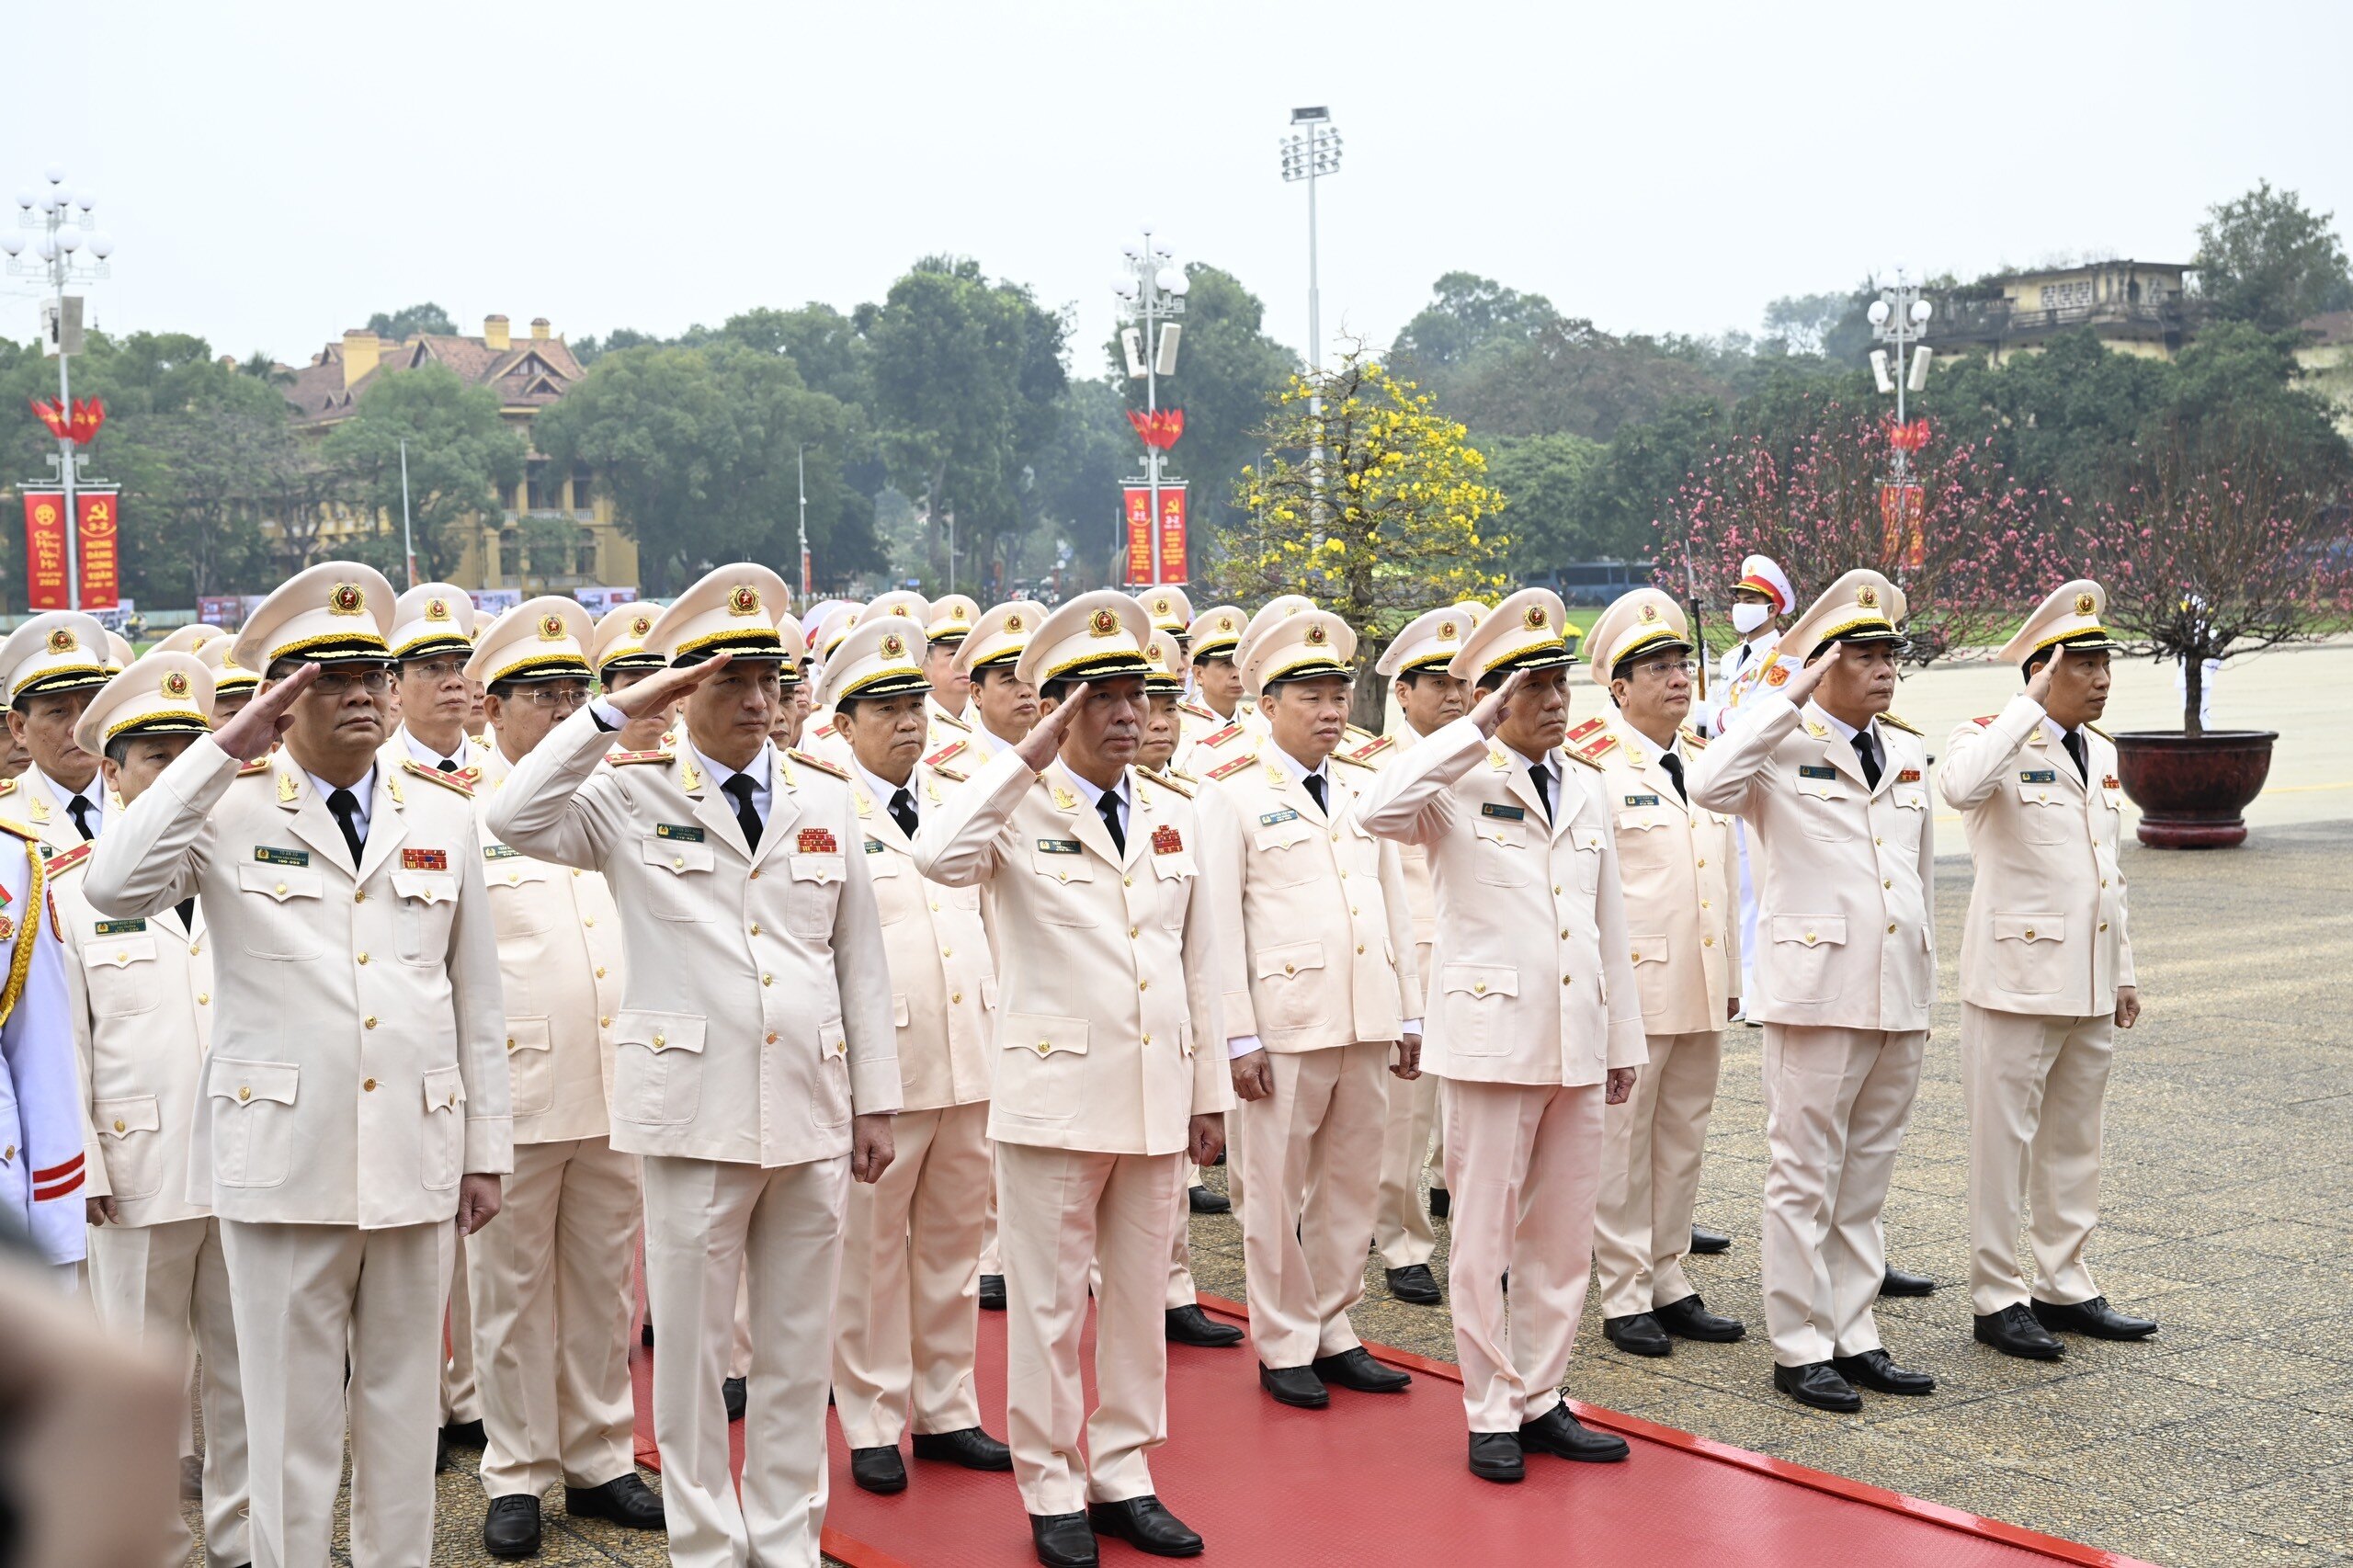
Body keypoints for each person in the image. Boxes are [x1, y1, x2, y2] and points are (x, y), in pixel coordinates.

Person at [84, 560, 511, 1567]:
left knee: (405, 1425)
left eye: (374, 673)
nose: (361, 693)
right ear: (283, 695)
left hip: (415, 1154)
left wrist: (485, 1146)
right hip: (282, 1166)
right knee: (289, 1433)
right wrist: (218, 748)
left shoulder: (442, 816)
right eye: (330, 676)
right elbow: (111, 883)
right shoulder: (226, 807)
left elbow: (475, 999)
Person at [486, 562, 898, 1568]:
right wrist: (617, 709)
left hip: (808, 1101)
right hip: (691, 1114)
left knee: (798, 1354)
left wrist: (876, 1099)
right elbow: (511, 817)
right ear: (683, 691)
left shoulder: (824, 798)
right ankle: (708, 1546)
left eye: (769, 681)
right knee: (694, 1361)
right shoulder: (626, 796)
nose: (758, 702)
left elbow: (860, 960)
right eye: (729, 681)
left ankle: (789, 1540)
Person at [913, 589, 1233, 1568]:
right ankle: (1050, 1480)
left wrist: (1207, 1089)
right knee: (1049, 1308)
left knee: (1138, 1300)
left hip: (1151, 1091)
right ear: (1059, 706)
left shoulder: (1175, 812)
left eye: (1137, 692)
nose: (1129, 712)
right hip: (1055, 1097)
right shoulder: (1008, 804)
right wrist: (1024, 756)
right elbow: (936, 854)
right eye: (1101, 695)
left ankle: (1124, 1471)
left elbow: (1200, 962)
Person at [1358, 587, 1641, 1484]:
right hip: (1488, 1037)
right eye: (1533, 686)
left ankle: (1543, 1393)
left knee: (1560, 1232)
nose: (1556, 701)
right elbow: (1377, 807)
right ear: (1490, 696)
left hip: (1576, 1036)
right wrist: (1469, 723)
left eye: (1561, 683)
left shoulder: (1588, 786)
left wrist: (1622, 1037)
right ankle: (1488, 1404)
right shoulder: (1452, 783)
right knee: (1481, 1231)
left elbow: (1607, 925)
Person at [1687, 569, 1937, 1414]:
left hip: (1893, 989)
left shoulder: (1904, 750)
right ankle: (1799, 1345)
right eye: (1861, 655)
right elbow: (1707, 784)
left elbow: (1918, 880)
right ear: (1822, 664)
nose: (1882, 670)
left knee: (1865, 1177)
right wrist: (1784, 693)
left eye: (1888, 655)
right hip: (1814, 990)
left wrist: (1923, 983)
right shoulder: (1775, 746)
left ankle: (1854, 1331)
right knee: (1803, 1175)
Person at [460, 601, 663, 1556]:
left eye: (572, 694)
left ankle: (600, 1454)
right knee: (507, 1296)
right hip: (517, 1090)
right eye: (539, 697)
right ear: (491, 710)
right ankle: (516, 1470)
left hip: (616, 1081)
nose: (557, 711)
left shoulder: (622, 792)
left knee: (603, 1287)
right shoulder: (461, 808)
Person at [55, 650, 251, 1568]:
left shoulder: (254, 868)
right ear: (113, 771)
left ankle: (245, 1538)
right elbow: (67, 1046)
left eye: (190, 748)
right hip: (133, 1171)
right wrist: (85, 1162)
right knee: (140, 1381)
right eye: (152, 755)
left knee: (252, 1371)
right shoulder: (72, 892)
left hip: (251, 1162)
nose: (175, 770)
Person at [1198, 609, 1422, 1411]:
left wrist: (1410, 1013)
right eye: (1313, 695)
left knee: (1353, 1184)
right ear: (1268, 703)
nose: (1332, 709)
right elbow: (1218, 926)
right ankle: (1284, 1340)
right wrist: (1237, 1032)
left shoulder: (1365, 785)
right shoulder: (1230, 793)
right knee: (1272, 1187)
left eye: (1339, 693)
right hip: (1283, 1025)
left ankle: (1336, 1327)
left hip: (1363, 1016)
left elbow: (1394, 905)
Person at [815, 616, 1011, 1496]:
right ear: (843, 724)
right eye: (884, 709)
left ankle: (947, 1409)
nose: (907, 723)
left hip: (967, 1056)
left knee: (952, 1250)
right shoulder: (819, 806)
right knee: (869, 1258)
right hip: (880, 1070)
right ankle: (869, 1416)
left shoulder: (956, 794)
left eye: (913, 706)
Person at [1940, 581, 2154, 1360]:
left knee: (2073, 1142)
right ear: (2041, 670)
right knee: (2004, 1145)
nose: (2101, 679)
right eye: (2083, 663)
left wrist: (2123, 969)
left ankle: (2064, 1284)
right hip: (2015, 981)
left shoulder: (2099, 752)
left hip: (2090, 980)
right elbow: (1958, 786)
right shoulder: (1991, 737)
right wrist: (2024, 707)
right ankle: (1997, 1298)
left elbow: (2108, 873)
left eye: (2106, 663)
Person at [1569, 591, 1747, 1360]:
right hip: (1634, 991)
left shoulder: (1705, 765)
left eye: (1681, 663)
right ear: (1618, 687)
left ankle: (1669, 1274)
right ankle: (1624, 1290)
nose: (1678, 678)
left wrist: (1732, 971)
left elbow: (1724, 881)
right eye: (1658, 668)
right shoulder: (1592, 768)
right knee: (1622, 1144)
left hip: (1701, 983)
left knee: (1683, 1137)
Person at [376, 581, 495, 1455]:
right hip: (399, 1054)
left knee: (482, 1265)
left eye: (460, 666)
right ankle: (418, 1407)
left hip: (488, 1052)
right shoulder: (373, 782)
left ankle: (472, 1401)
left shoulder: (494, 784)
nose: (451, 682)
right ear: (394, 686)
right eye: (430, 668)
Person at [1363, 607, 1474, 1306]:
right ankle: (1402, 1242)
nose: (1456, 695)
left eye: (1465, 681)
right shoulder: (1372, 766)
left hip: (1477, 961)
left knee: (1471, 1115)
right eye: (1439, 682)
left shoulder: (1483, 757)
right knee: (1406, 1117)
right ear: (1402, 692)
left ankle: (1471, 1231)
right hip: (1413, 959)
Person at [0, 610, 119, 852]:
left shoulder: (143, 797)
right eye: (58, 711)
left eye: (90, 707)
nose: (78, 727)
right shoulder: (5, 817)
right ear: (19, 727)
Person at [591, 606, 677, 755]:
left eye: (663, 683)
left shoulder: (696, 759)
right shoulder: (587, 767)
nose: (653, 697)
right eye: (634, 685)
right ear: (606, 694)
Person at [923, 593, 982, 744]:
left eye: (968, 654)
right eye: (953, 654)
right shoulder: (915, 724)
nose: (963, 663)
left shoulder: (992, 719)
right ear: (927, 660)